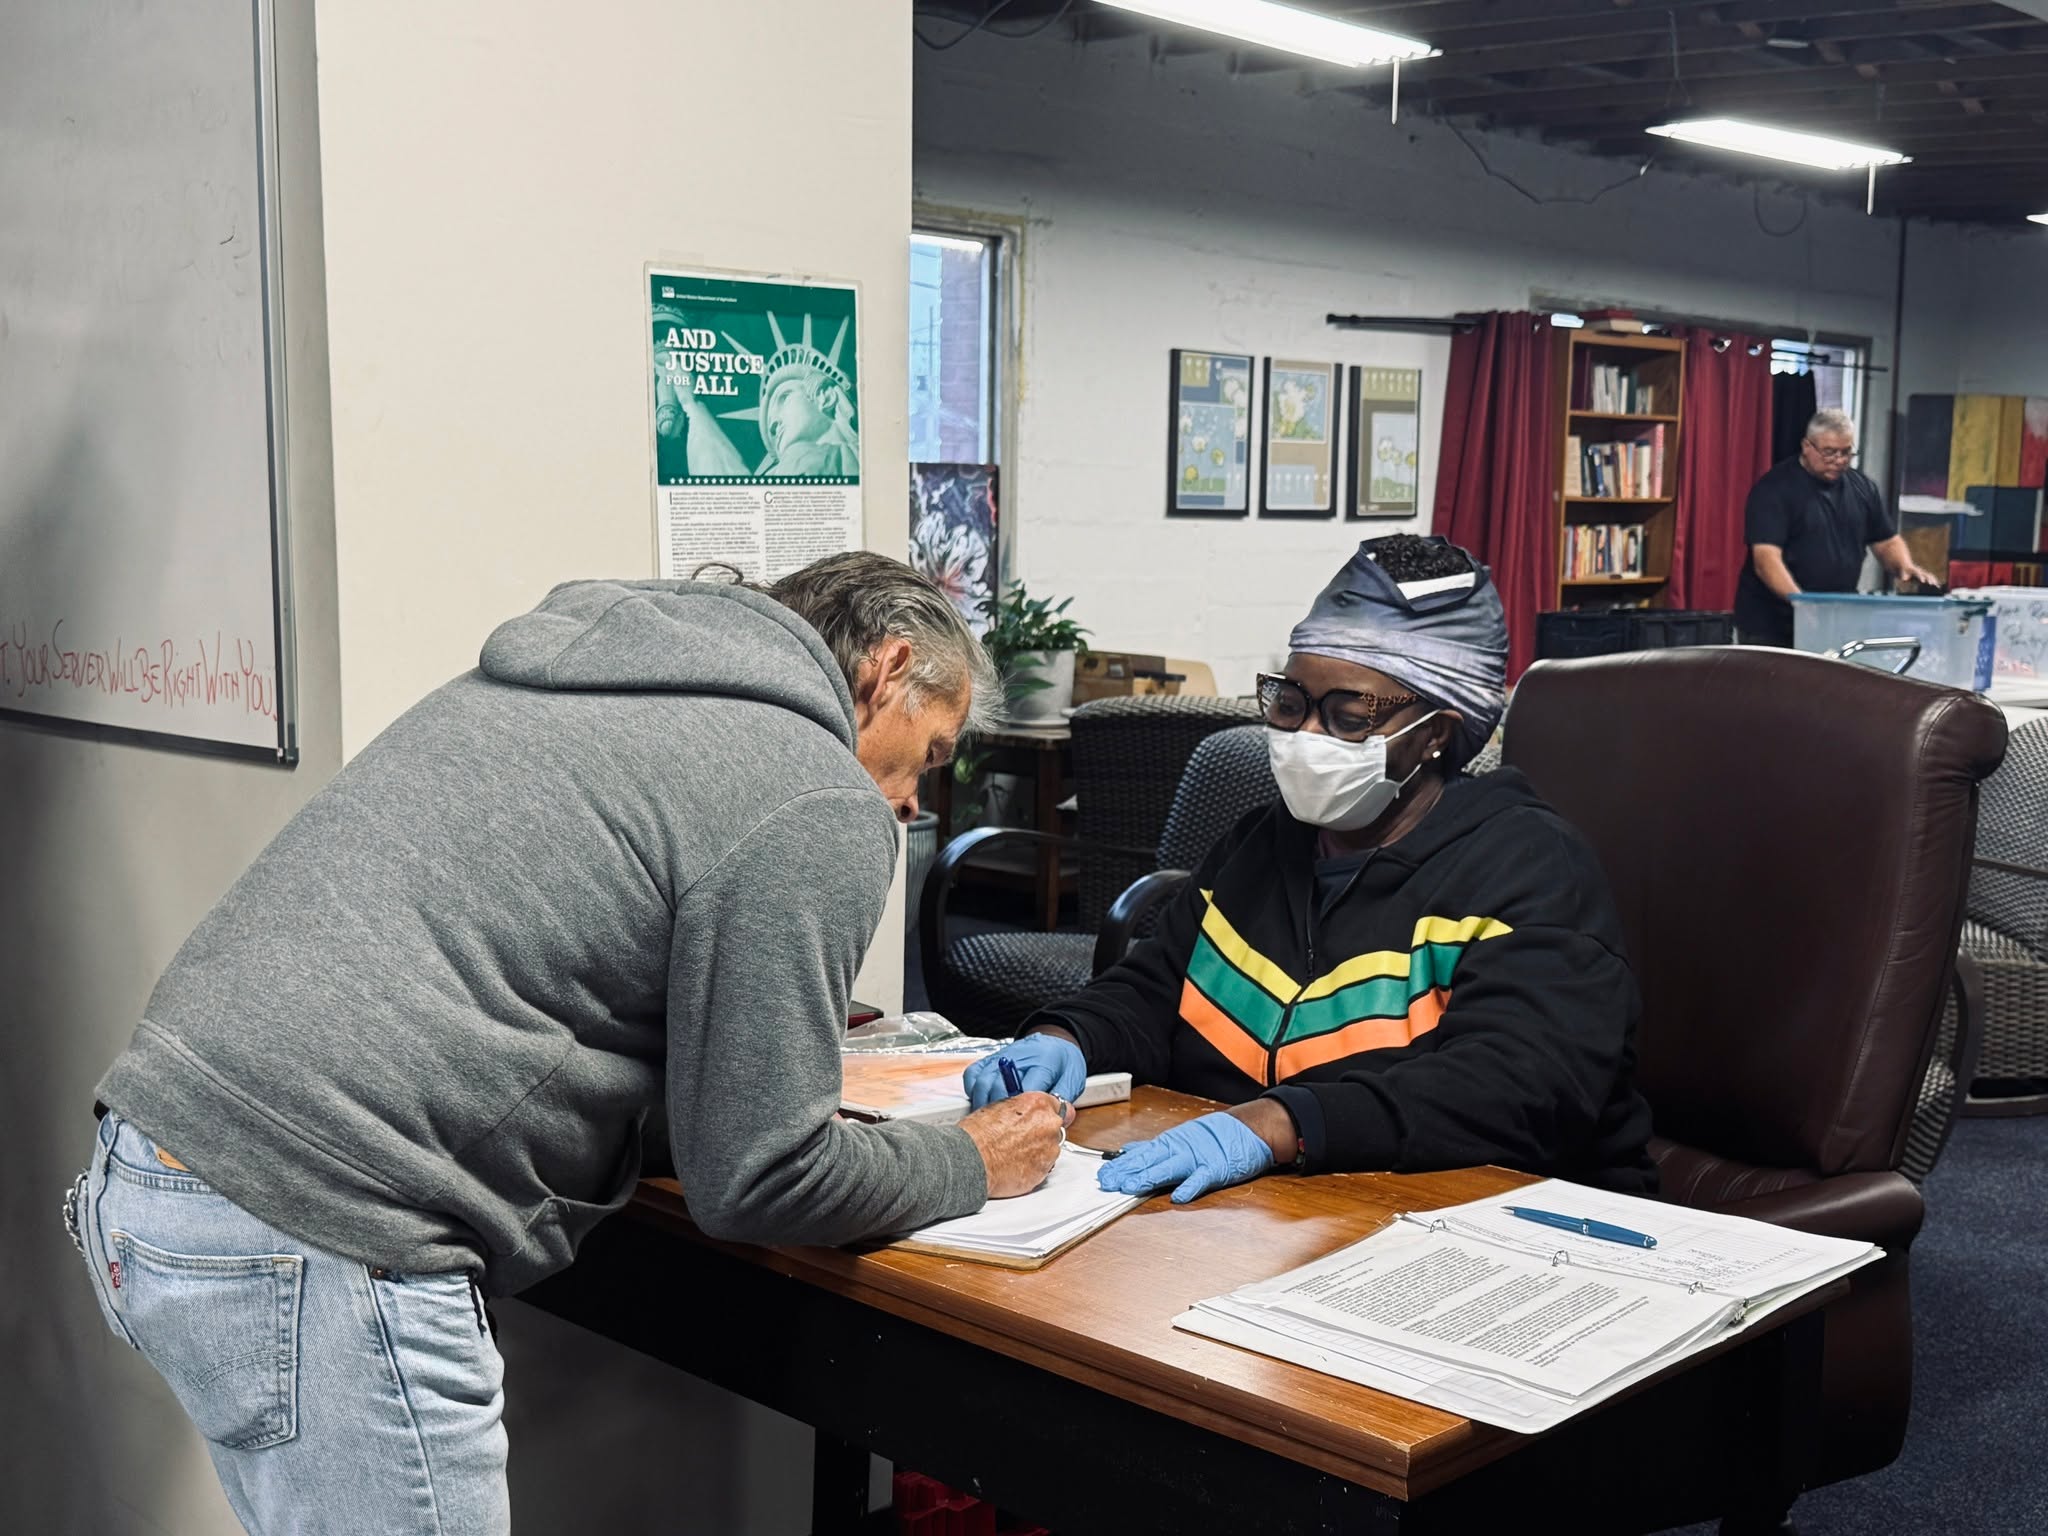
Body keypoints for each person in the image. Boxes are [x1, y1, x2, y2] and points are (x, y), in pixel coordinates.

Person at [68, 553, 1069, 1535]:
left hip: (161, 1165)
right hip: (323, 1225)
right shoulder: (812, 789)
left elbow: (551, 977)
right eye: (925, 758)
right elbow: (759, 1181)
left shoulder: (591, 674)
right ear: (885, 670)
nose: (905, 803)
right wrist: (968, 1159)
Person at [964, 534, 1656, 1205]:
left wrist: (1276, 1125)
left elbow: (1518, 1089)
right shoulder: (1266, 843)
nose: (1304, 738)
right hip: (1270, 1218)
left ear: (1437, 736)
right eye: (1290, 703)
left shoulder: (1530, 870)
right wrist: (1068, 1037)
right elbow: (1158, 985)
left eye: (1348, 716)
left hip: (1492, 1230)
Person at [1734, 407, 1941, 647]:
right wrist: (1800, 602)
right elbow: (1766, 560)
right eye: (1829, 452)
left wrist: (1904, 566)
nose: (1839, 460)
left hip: (1836, 618)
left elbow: (1886, 541)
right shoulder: (1775, 489)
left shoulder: (1863, 488)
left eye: (1846, 452)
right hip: (1773, 623)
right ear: (1806, 446)